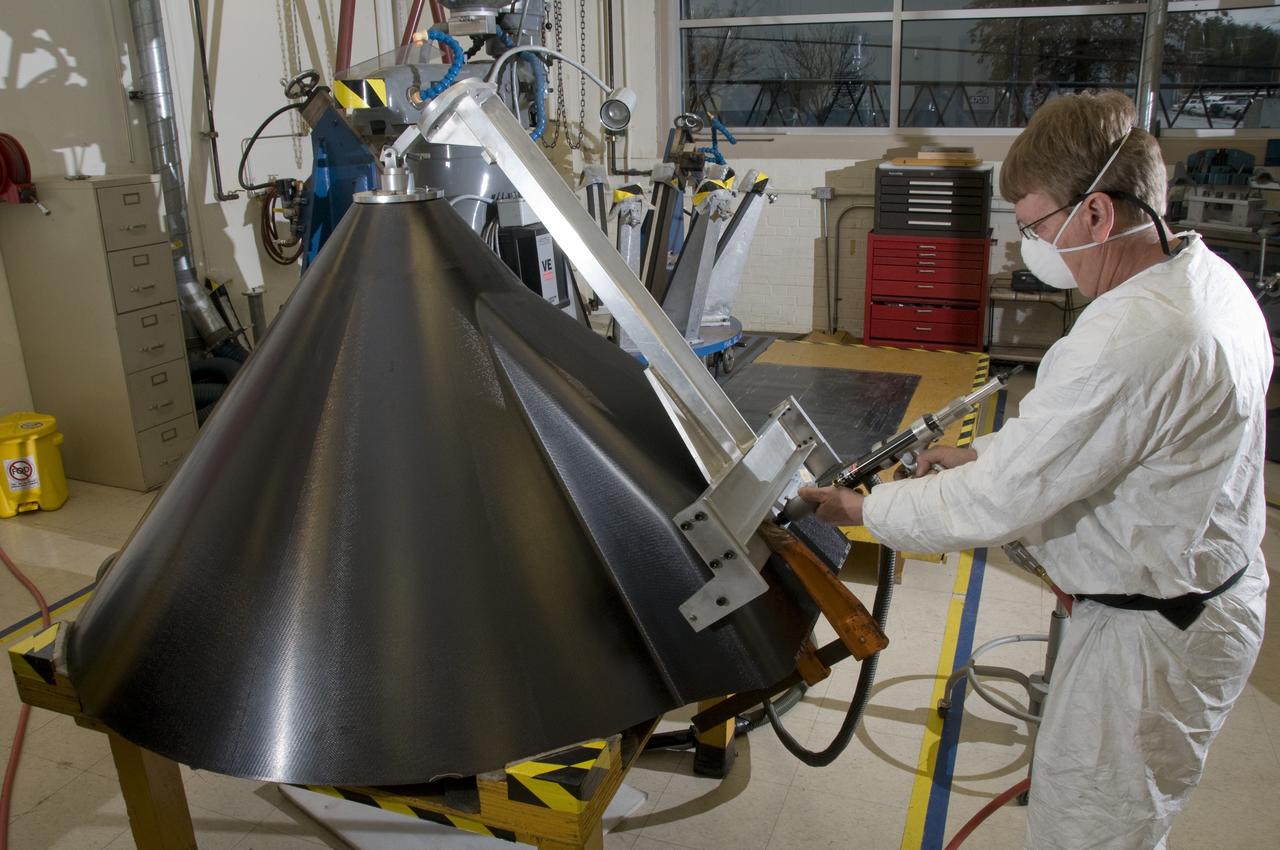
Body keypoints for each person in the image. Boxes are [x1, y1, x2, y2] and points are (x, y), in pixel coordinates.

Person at [798, 91, 1270, 849]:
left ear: (1097, 215)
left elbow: (997, 504)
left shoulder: (1134, 334)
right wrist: (979, 452)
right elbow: (1097, 441)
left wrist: (862, 513)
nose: (1029, 247)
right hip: (1187, 602)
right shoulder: (1202, 282)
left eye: (1035, 224)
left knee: (1088, 830)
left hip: (1148, 640)